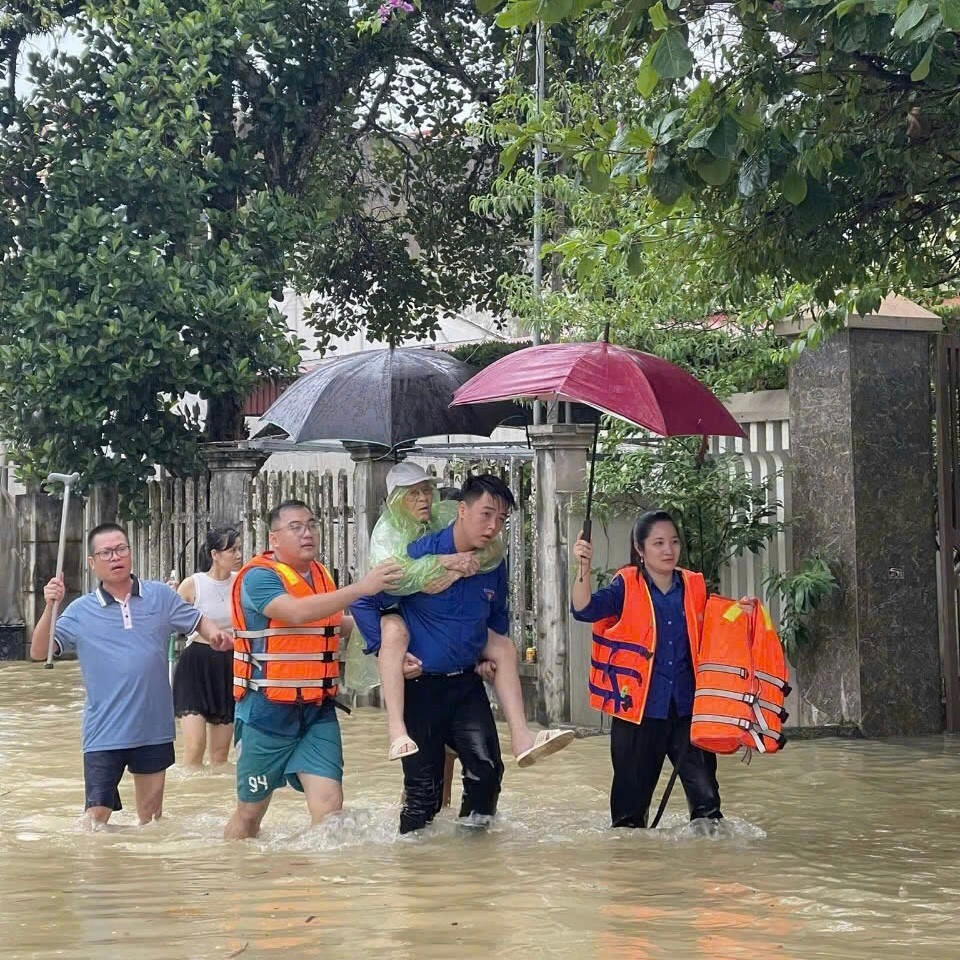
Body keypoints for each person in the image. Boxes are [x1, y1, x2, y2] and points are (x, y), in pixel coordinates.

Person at [352, 474, 574, 834]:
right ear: (461, 510)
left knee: (487, 772)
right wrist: (384, 649)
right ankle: (417, 873)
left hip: (466, 684)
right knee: (423, 795)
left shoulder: (492, 561)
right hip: (421, 687)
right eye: (486, 514)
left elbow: (497, 614)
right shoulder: (419, 553)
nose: (492, 526)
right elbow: (364, 599)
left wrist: (485, 656)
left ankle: (474, 866)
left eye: (501, 519)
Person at [30, 522, 234, 826]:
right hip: (103, 730)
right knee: (96, 819)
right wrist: (50, 606)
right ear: (92, 562)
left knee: (151, 821)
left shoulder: (160, 597)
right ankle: (101, 870)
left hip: (153, 728)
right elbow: (39, 650)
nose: (116, 557)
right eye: (106, 552)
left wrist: (215, 633)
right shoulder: (80, 610)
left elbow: (195, 620)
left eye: (121, 549)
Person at [223, 499, 403, 840]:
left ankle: (323, 885)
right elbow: (295, 612)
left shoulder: (321, 576)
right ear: (274, 539)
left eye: (312, 525)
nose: (308, 533)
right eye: (296, 527)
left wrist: (392, 640)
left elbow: (335, 626)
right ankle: (239, 879)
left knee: (331, 807)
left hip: (317, 711)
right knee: (250, 813)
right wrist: (362, 588)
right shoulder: (259, 577)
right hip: (266, 712)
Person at [571, 509, 723, 829]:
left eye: (674, 542)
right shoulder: (625, 587)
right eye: (658, 543)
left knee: (708, 806)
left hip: (687, 712)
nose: (668, 550)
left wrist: (743, 612)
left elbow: (719, 628)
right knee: (629, 818)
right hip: (637, 716)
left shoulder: (694, 586)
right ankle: (634, 875)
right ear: (640, 549)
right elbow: (583, 609)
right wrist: (582, 568)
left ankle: (710, 868)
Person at [172, 526, 243, 768]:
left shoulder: (243, 583)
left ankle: (215, 800)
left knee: (221, 755)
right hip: (195, 665)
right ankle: (188, 799)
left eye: (240, 549)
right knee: (194, 747)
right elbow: (173, 621)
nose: (238, 555)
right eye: (232, 550)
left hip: (229, 666)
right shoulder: (193, 584)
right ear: (215, 554)